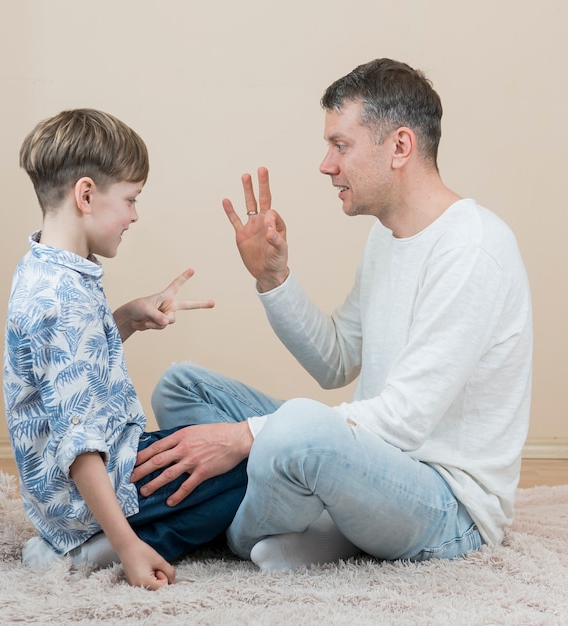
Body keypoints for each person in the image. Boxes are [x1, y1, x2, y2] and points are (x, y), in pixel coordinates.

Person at [130, 58, 533, 572]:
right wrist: (274, 277)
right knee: (181, 388)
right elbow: (337, 361)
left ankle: (196, 529)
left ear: (400, 147)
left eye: (341, 146)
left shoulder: (472, 249)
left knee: (296, 429)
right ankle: (323, 526)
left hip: (447, 503)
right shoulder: (387, 236)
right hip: (372, 463)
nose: (325, 164)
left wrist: (243, 437)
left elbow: (405, 421)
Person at [3, 108, 248, 590]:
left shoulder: (47, 267)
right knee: (246, 468)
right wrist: (129, 547)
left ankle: (97, 537)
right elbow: (79, 445)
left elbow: (67, 372)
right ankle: (98, 546)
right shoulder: (62, 299)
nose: (135, 215)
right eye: (131, 199)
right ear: (87, 195)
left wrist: (125, 319)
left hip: (86, 474)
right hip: (86, 487)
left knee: (208, 452)